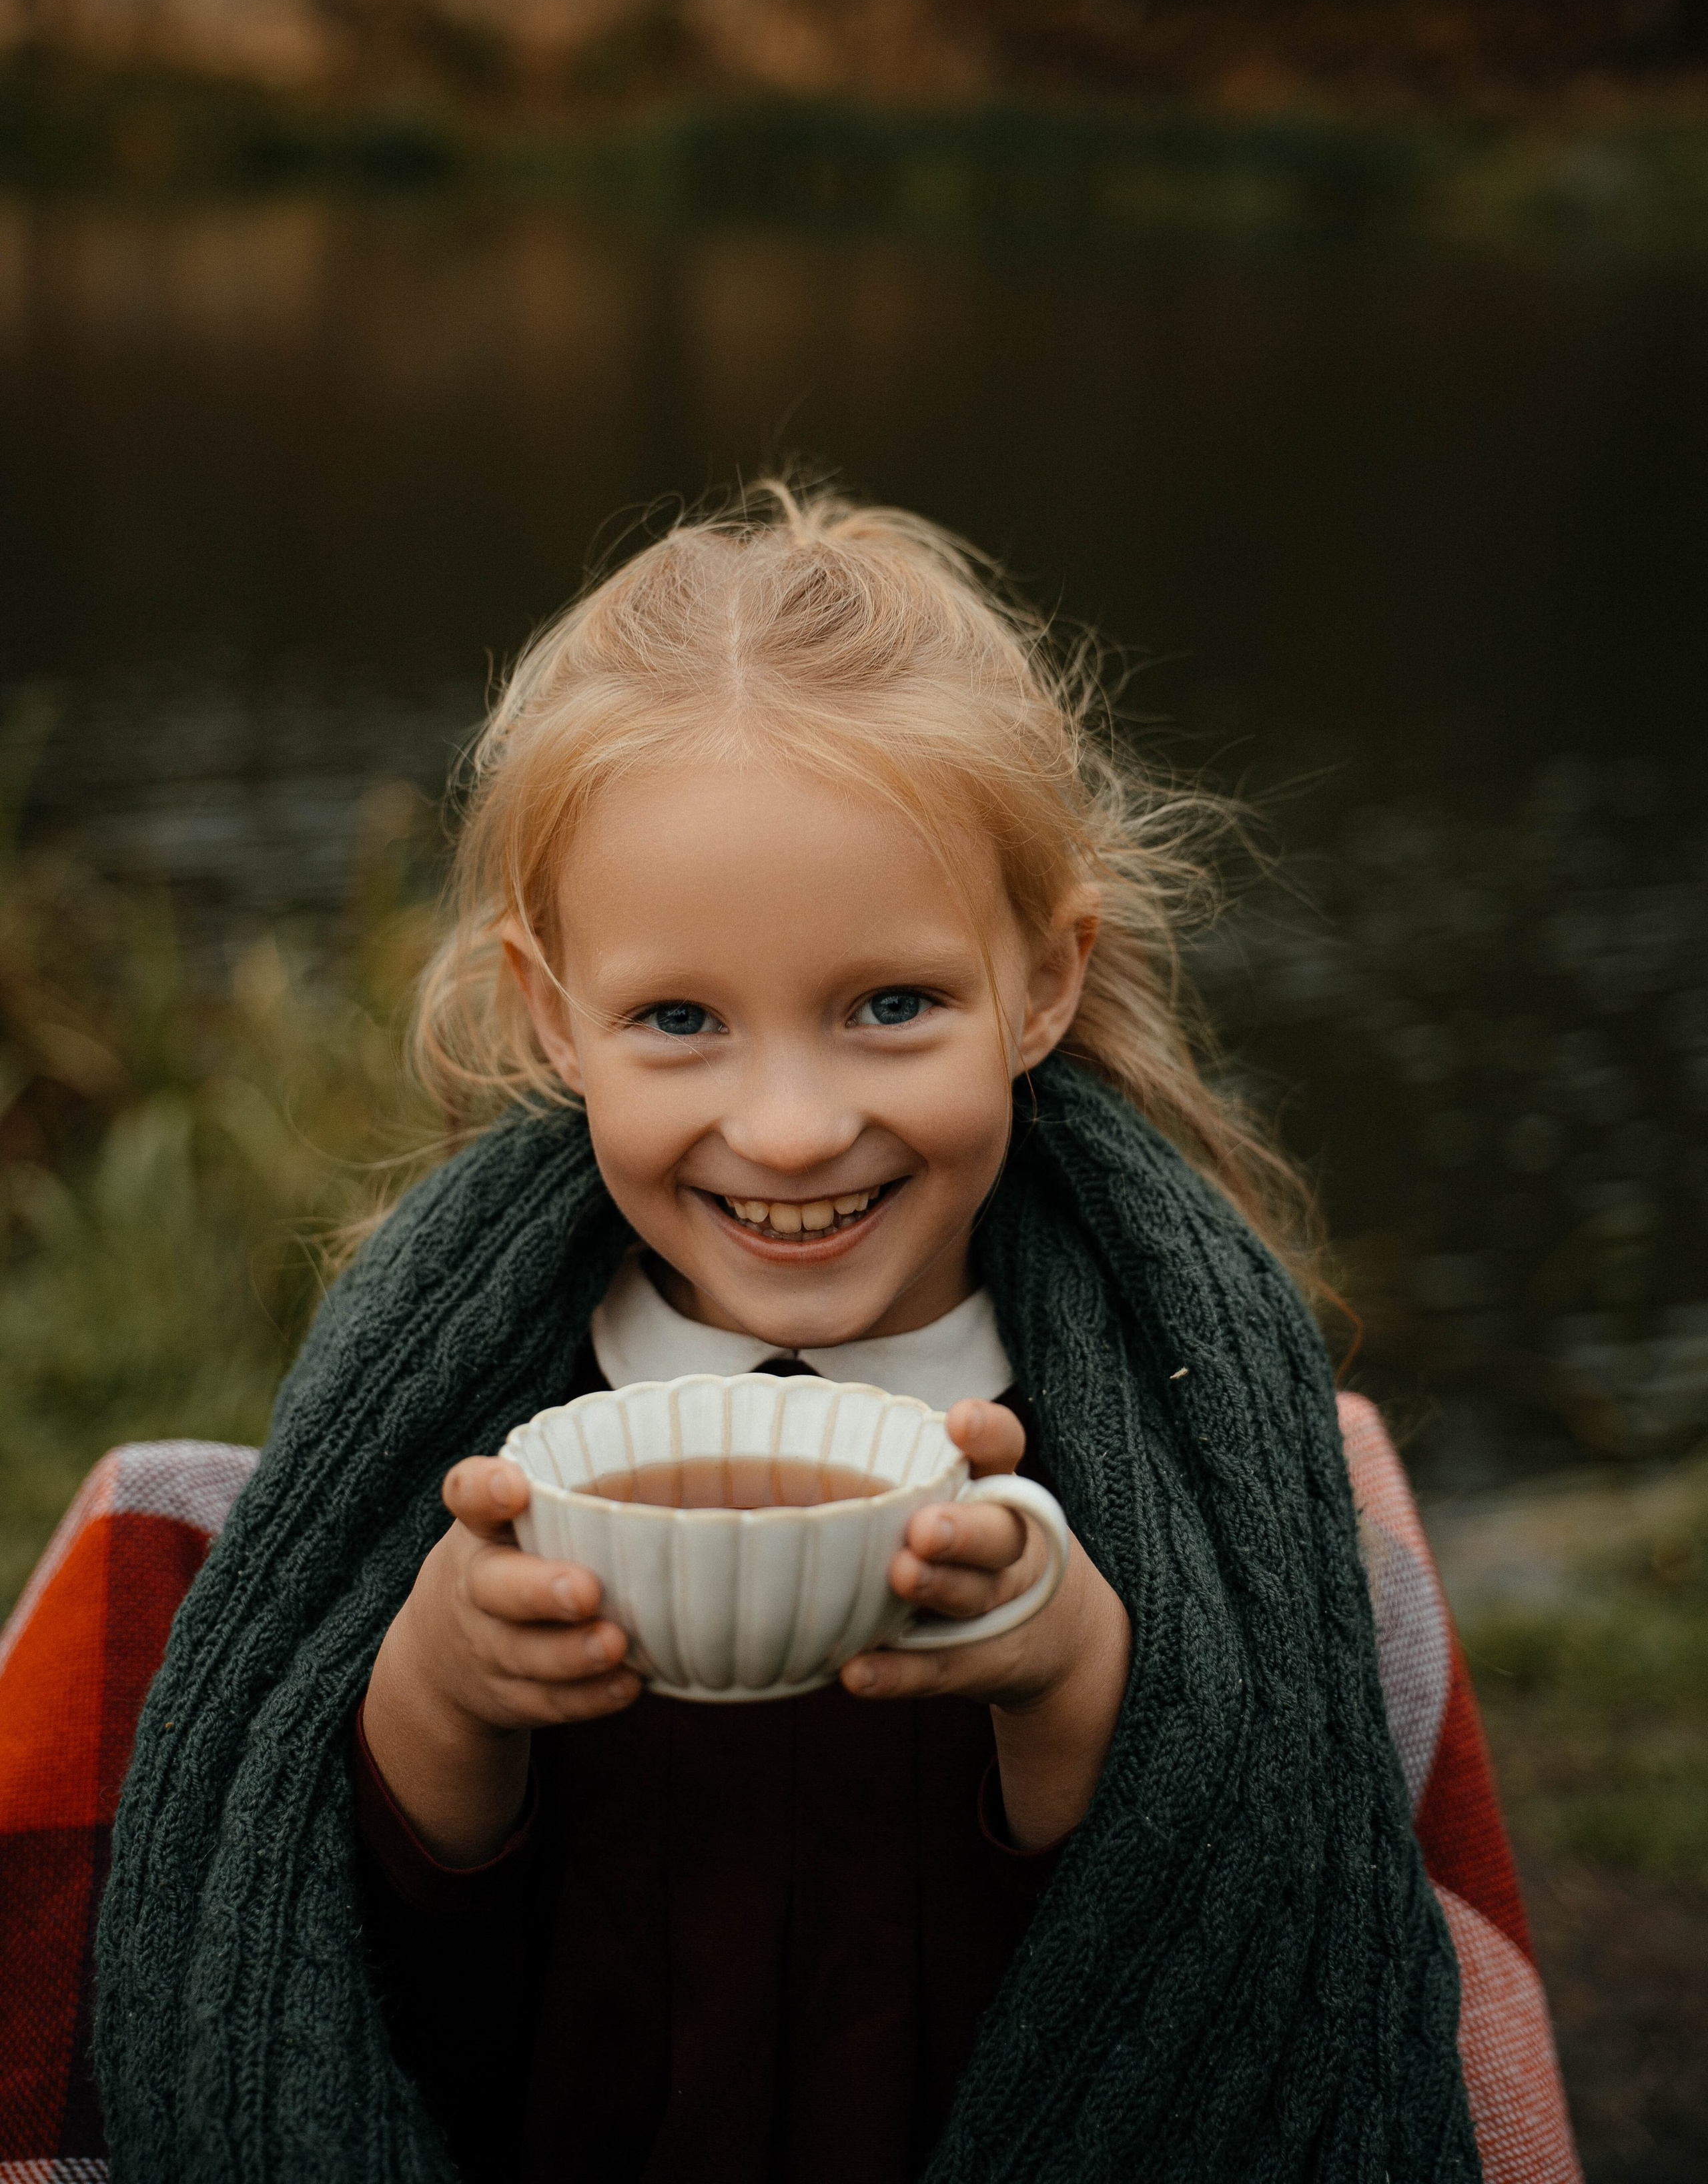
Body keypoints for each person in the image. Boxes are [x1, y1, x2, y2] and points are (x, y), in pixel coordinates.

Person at [95, 483, 1480, 2184]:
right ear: (552, 1014)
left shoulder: (1169, 1438)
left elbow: (1217, 1940)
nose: (792, 1128)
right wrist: (446, 1686)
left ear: (1041, 983)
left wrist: (1064, 1668)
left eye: (888, 1007)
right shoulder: (458, 1414)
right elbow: (350, 1950)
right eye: (677, 1019)